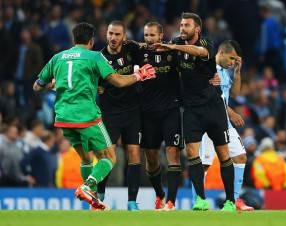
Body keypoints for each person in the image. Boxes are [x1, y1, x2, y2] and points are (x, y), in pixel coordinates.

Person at [33, 22, 156, 210]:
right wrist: (139, 76)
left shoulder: (57, 58)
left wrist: (52, 83)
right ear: (91, 41)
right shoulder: (94, 57)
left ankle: (93, 200)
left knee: (86, 159)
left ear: (74, 39)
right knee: (110, 157)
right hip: (86, 116)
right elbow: (118, 81)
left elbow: (37, 86)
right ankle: (87, 186)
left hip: (63, 118)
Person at [154, 12, 235, 211]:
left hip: (212, 106)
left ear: (196, 29)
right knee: (191, 153)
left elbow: (198, 52)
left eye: (187, 25)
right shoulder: (175, 43)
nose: (182, 28)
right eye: (181, 25)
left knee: (223, 153)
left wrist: (174, 46)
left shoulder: (208, 43)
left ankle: (231, 201)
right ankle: (200, 199)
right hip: (191, 108)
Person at [199, 40, 254, 211]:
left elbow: (235, 94)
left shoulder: (226, 71)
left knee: (240, 156)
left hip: (224, 122)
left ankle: (235, 200)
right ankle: (198, 200)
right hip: (207, 120)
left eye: (235, 60)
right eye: (231, 59)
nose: (232, 62)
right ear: (221, 53)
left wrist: (237, 73)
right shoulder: (208, 68)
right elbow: (212, 97)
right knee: (204, 164)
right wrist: (231, 112)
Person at [96, 21, 144, 211]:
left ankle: (132, 201)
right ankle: (99, 197)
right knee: (108, 156)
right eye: (110, 34)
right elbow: (92, 81)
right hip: (110, 112)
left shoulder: (132, 48)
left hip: (132, 111)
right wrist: (97, 87)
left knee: (134, 154)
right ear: (106, 34)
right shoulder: (99, 57)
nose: (113, 38)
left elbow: (146, 52)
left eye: (117, 34)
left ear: (124, 37)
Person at [139, 22, 182, 210]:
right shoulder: (139, 53)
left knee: (173, 153)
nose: (148, 39)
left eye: (152, 35)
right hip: (147, 113)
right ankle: (160, 194)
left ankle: (171, 201)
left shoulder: (172, 52)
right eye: (146, 36)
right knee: (151, 158)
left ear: (161, 35)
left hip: (170, 110)